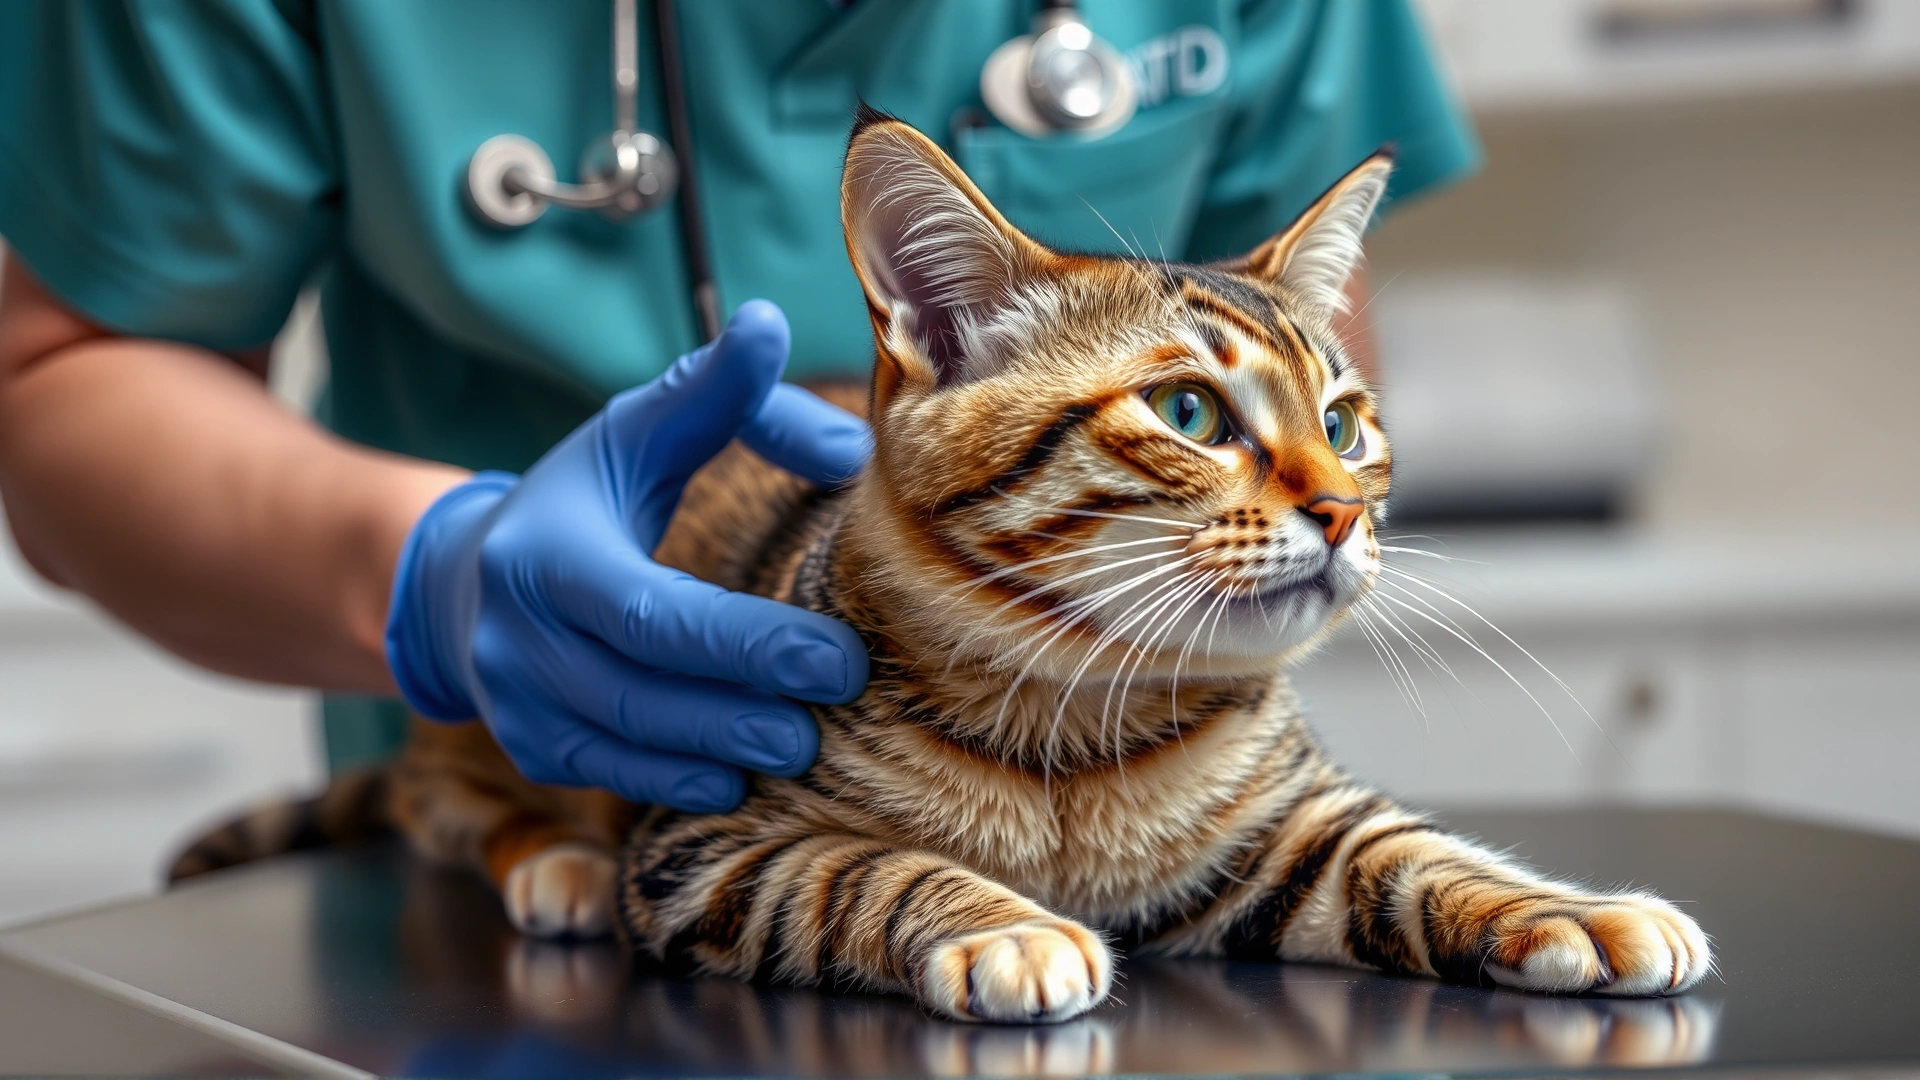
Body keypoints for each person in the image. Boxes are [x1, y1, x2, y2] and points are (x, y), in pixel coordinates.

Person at [0, 1, 1478, 814]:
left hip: (1094, 790)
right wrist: (435, 574)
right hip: (534, 836)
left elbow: (1307, 372)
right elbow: (63, 373)